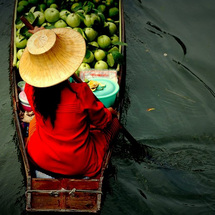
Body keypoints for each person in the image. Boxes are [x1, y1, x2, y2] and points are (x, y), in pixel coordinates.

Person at [19, 28, 121, 178]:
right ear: (65, 63)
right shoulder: (79, 92)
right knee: (114, 124)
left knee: (35, 121)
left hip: (40, 157)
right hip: (78, 164)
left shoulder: (30, 88)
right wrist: (110, 112)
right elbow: (102, 121)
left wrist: (43, 38)